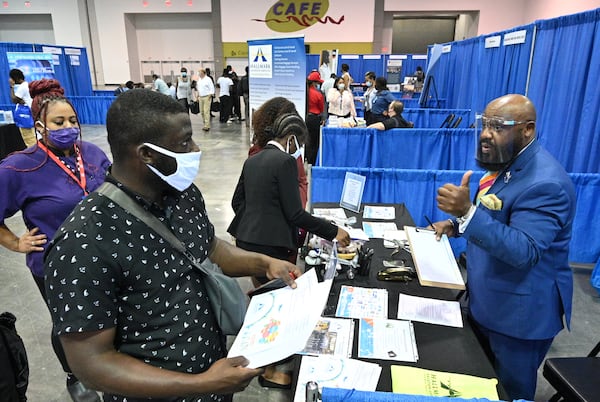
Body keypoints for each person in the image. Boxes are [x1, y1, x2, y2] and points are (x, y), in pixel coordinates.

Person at [43, 89, 302, 402]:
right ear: (146, 154)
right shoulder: (84, 241)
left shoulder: (182, 195)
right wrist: (202, 384)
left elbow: (211, 249)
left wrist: (263, 263)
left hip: (215, 381)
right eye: (184, 143)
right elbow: (92, 363)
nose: (195, 149)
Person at [431, 94, 576, 400]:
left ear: (528, 129)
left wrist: (466, 213)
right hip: (488, 301)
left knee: (509, 392)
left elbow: (524, 250)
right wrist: (457, 226)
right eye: (484, 124)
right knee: (481, 379)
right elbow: (497, 216)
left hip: (519, 317)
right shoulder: (507, 164)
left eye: (498, 126)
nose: (486, 133)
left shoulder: (546, 184)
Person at [0, 78, 110, 402]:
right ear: (40, 126)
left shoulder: (92, 154)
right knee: (69, 324)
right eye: (59, 122)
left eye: (72, 121)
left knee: (103, 315)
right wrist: (16, 243)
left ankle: (105, 362)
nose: (68, 127)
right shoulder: (18, 167)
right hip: (55, 265)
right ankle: (75, 375)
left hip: (102, 257)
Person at [227, 103, 350, 389]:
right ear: (292, 139)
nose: (299, 153)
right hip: (274, 246)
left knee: (261, 302)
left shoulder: (253, 159)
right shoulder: (283, 162)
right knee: (278, 306)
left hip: (246, 240)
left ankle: (258, 360)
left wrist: (256, 219)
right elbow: (295, 214)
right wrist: (334, 231)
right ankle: (269, 370)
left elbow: (237, 203)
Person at [8, 68, 36, 147]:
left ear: (15, 78)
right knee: (33, 137)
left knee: (29, 139)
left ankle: (35, 156)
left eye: (11, 78)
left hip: (26, 117)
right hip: (31, 114)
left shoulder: (22, 87)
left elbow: (14, 99)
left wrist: (11, 87)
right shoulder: (27, 85)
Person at [305, 70, 325, 165]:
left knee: (304, 139)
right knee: (314, 142)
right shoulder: (318, 94)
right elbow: (321, 109)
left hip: (304, 117)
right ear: (314, 83)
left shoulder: (304, 92)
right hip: (314, 119)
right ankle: (311, 163)